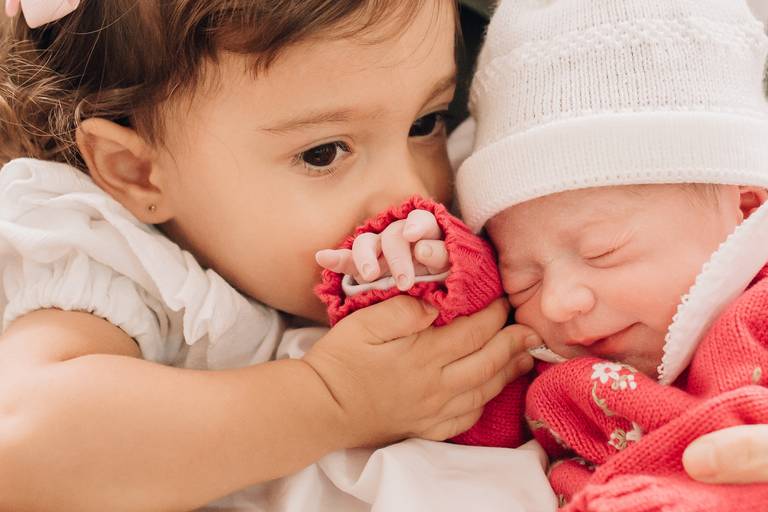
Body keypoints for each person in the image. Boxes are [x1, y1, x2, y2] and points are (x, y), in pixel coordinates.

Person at [0, 1, 546, 510]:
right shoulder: (122, 265)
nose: (411, 193)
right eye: (322, 152)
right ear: (137, 172)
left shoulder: (470, 199)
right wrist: (332, 402)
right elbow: (22, 443)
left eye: (425, 123)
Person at [454, 0, 768, 508]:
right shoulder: (547, 366)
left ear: (747, 209)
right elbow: (462, 420)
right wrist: (429, 279)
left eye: (602, 252)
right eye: (522, 281)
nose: (557, 303)